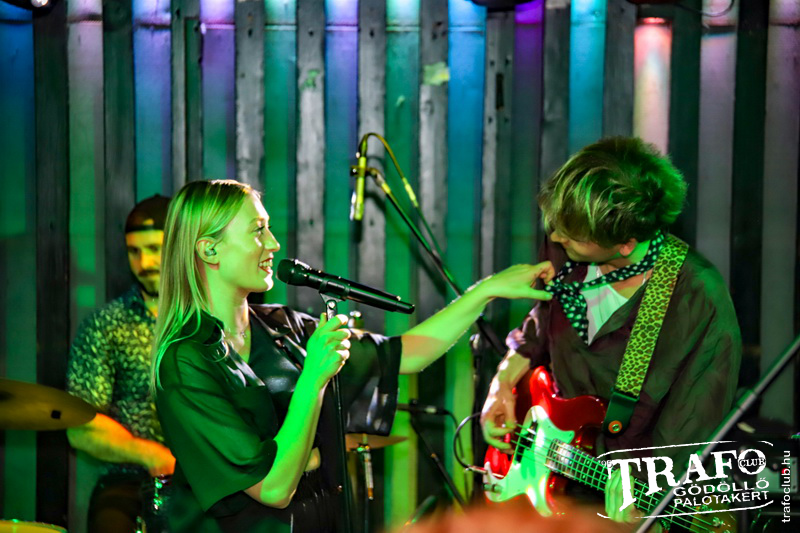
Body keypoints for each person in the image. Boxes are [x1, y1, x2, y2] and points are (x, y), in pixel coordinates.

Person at [150, 179, 555, 532]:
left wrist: (486, 291)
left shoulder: (282, 327)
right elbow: (273, 488)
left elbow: (407, 354)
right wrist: (313, 378)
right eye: (258, 231)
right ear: (209, 250)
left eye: (269, 228)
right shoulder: (185, 362)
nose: (273, 243)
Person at [480, 137, 742, 525]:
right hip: (551, 479)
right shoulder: (568, 245)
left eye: (570, 235)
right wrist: (503, 381)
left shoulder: (696, 299)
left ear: (624, 244)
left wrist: (650, 504)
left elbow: (691, 429)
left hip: (625, 496)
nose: (555, 237)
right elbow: (542, 319)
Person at [67, 195, 175, 533]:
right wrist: (150, 454)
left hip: (212, 480)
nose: (145, 262)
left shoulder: (213, 319)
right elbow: (82, 425)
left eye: (155, 249)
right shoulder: (105, 325)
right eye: (134, 252)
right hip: (131, 481)